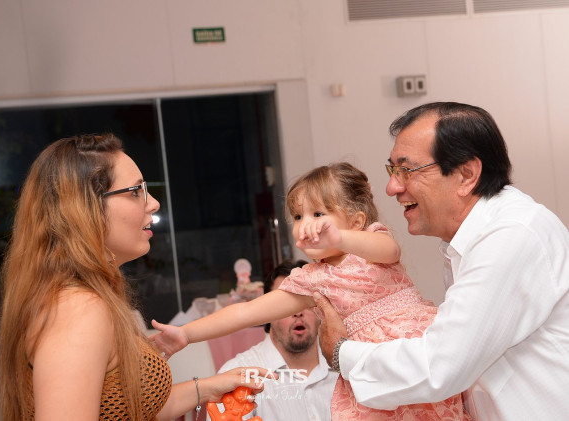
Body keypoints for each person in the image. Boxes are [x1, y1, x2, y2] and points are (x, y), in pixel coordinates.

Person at [151, 162, 470, 420]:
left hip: (415, 356)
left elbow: (391, 250)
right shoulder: (313, 280)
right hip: (369, 376)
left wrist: (339, 239)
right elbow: (245, 312)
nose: (305, 224)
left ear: (356, 221)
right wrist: (186, 334)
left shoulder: (372, 245)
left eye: (318, 214)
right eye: (298, 216)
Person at [314, 102, 569, 421]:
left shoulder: (512, 235)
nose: (392, 187)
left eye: (407, 170)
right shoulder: (472, 238)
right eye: (392, 170)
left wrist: (341, 352)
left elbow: (440, 365)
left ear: (466, 175)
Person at [0, 134, 269, 421]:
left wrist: (208, 387)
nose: (154, 203)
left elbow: (128, 410)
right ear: (86, 208)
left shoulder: (89, 297)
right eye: (136, 191)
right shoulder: (76, 310)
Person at [211, 259, 338, 421]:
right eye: (286, 303)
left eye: (306, 301)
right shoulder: (239, 376)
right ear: (267, 313)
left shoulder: (346, 365)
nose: (297, 312)